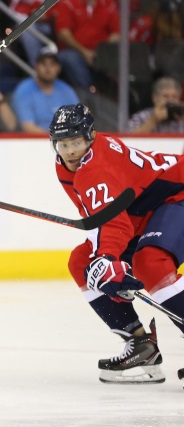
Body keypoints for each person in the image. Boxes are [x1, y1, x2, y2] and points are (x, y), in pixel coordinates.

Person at [50, 103, 184, 385]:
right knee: (81, 263)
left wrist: (109, 258)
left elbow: (113, 221)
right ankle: (141, 345)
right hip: (143, 210)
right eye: (63, 144)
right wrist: (104, 260)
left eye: (76, 141)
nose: (71, 150)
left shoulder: (93, 168)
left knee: (151, 263)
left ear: (91, 135)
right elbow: (101, 218)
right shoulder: (66, 165)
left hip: (176, 193)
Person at [11, 46, 79, 134]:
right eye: (43, 64)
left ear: (58, 68)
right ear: (36, 66)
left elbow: (78, 122)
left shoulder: (67, 90)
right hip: (34, 143)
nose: (48, 69)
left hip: (64, 143)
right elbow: (28, 128)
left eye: (52, 64)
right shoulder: (24, 90)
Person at [54, 0, 120, 89]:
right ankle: (88, 95)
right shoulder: (68, 3)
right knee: (70, 58)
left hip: (101, 52)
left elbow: (116, 33)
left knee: (123, 56)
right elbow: (63, 33)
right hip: (74, 51)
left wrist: (101, 52)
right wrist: (84, 52)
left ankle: (122, 95)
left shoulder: (109, 4)